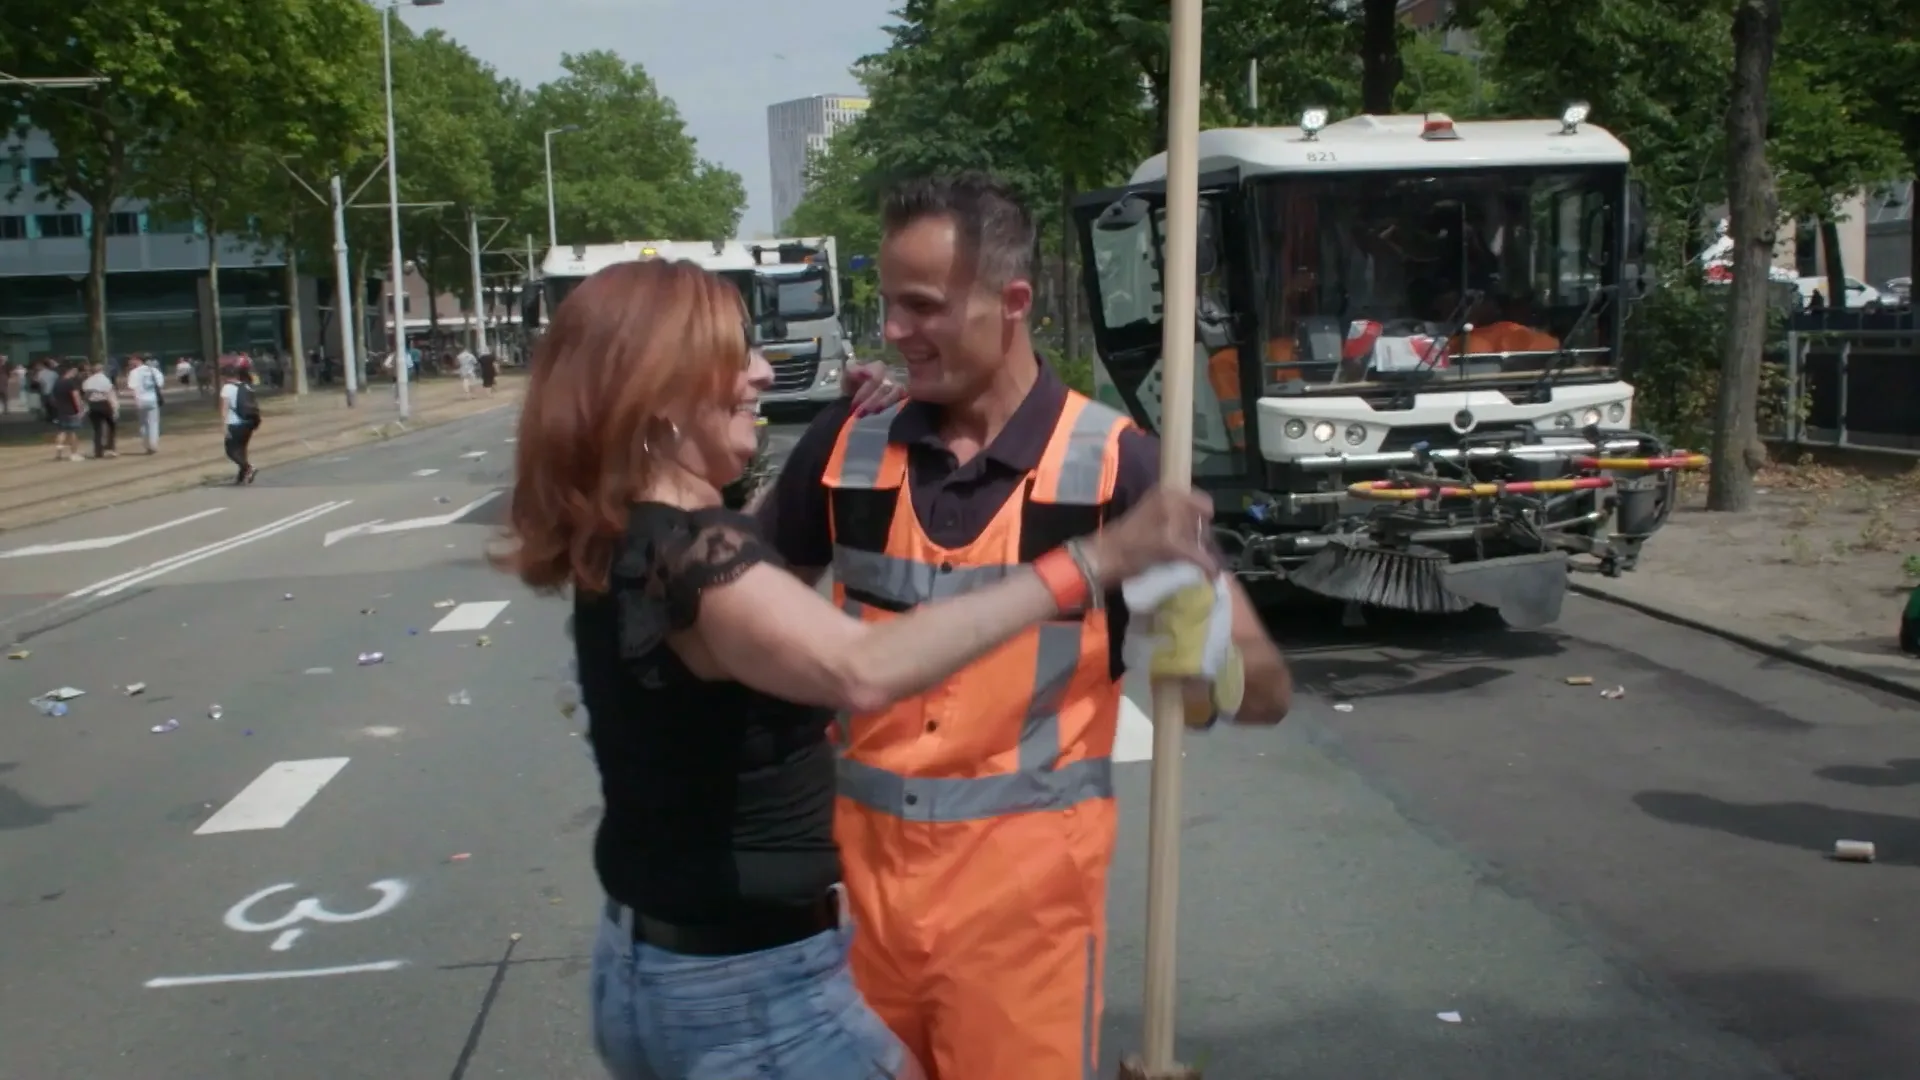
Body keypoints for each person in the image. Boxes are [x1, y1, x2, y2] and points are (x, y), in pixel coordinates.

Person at [493, 257, 1217, 1080]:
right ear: (660, 393)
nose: (764, 370)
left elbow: (765, 585)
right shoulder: (693, 555)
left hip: (658, 972)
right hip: (755, 1004)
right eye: (737, 356)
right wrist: (1089, 562)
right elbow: (862, 667)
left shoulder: (638, 536)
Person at [756, 172, 1294, 1080]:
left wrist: (1196, 638)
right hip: (852, 914)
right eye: (888, 304)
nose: (894, 332)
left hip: (1026, 927)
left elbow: (1261, 694)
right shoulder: (846, 445)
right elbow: (742, 621)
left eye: (921, 306)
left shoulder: (1117, 470)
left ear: (1012, 303)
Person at [220, 362, 260, 484]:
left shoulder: (226, 388)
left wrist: (224, 426)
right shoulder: (246, 386)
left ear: (225, 376)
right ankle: (241, 477)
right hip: (248, 423)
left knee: (231, 451)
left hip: (234, 424)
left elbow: (224, 409)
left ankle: (248, 468)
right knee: (242, 449)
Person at [126, 354, 165, 453]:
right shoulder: (154, 370)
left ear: (138, 360)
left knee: (143, 423)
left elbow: (132, 387)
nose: (130, 363)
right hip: (153, 399)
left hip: (141, 400)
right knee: (153, 423)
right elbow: (160, 384)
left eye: (132, 360)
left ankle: (147, 445)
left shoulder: (134, 372)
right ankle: (153, 444)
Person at [80, 361, 119, 459]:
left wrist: (84, 407)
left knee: (97, 429)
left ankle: (98, 451)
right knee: (111, 426)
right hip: (104, 404)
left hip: (93, 405)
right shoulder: (106, 380)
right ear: (102, 370)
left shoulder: (88, 381)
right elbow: (110, 395)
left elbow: (85, 396)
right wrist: (115, 408)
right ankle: (110, 448)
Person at [48, 362, 84, 461]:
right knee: (72, 432)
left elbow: (53, 398)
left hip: (60, 410)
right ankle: (74, 453)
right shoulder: (70, 383)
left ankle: (58, 453)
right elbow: (76, 397)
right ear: (69, 371)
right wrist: (80, 409)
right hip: (71, 410)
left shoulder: (57, 383)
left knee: (61, 432)